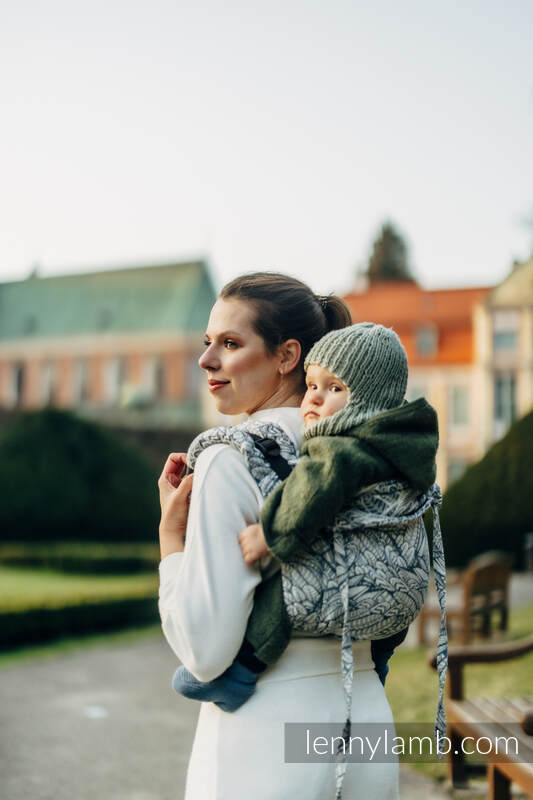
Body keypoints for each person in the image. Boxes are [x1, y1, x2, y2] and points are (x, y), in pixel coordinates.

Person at [158, 273, 400, 799]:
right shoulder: (372, 454)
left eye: (230, 343)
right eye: (207, 344)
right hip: (369, 720)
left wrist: (171, 541)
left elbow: (205, 649)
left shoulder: (229, 458)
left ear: (287, 355)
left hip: (265, 735)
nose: (206, 361)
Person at [172, 323, 439, 716]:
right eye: (312, 385)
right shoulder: (404, 446)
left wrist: (269, 534)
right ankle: (379, 664)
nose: (313, 399)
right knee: (384, 628)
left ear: (368, 400)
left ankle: (240, 675)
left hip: (341, 584)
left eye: (334, 389)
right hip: (402, 588)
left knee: (284, 592)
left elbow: (309, 494)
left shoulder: (337, 450)